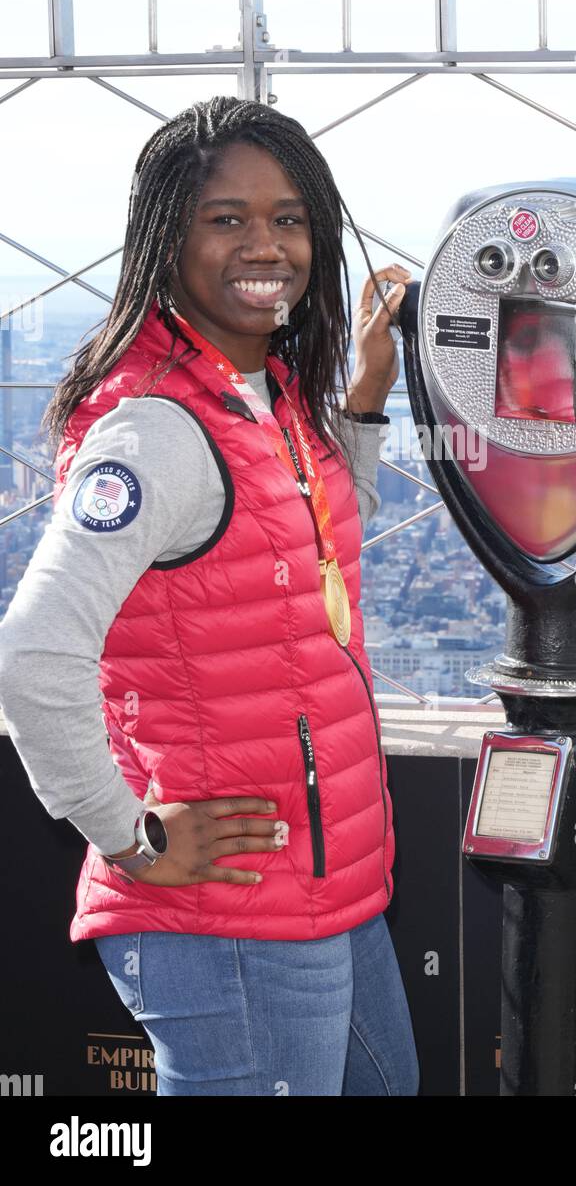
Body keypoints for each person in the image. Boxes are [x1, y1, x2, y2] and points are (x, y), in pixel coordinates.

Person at [0, 95, 420, 1097]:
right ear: (165, 237)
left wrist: (362, 401)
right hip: (232, 909)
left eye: (287, 217)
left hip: (326, 884)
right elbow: (31, 656)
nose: (264, 243)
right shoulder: (155, 432)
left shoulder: (254, 392)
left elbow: (303, 533)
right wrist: (129, 834)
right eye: (225, 218)